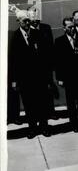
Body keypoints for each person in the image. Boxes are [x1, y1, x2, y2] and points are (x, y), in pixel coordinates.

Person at [10, 10, 51, 138]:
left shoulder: (37, 34)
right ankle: (32, 128)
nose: (28, 23)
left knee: (42, 102)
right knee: (29, 104)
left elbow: (45, 57)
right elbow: (13, 61)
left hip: (39, 77)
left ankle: (44, 127)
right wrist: (14, 80)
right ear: (18, 22)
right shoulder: (15, 37)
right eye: (24, 21)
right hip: (25, 79)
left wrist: (47, 77)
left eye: (28, 20)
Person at [28, 6, 58, 121]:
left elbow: (51, 47)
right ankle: (38, 114)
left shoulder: (46, 28)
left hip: (46, 65)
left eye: (37, 16)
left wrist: (52, 65)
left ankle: (51, 112)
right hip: (33, 68)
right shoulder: (27, 30)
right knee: (36, 92)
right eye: (33, 16)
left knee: (48, 89)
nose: (35, 19)